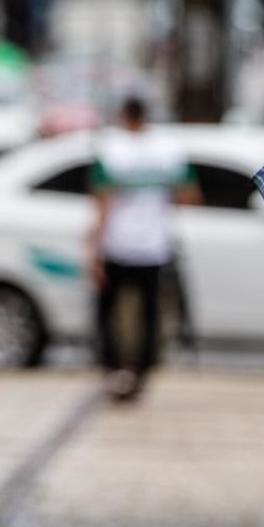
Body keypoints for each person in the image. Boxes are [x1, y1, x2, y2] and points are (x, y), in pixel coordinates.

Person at [87, 97, 201, 401]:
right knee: (149, 313)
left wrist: (94, 250)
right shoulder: (168, 149)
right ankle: (141, 371)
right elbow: (191, 194)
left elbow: (101, 202)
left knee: (108, 311)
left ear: (123, 115)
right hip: (154, 245)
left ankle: (113, 368)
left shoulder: (110, 148)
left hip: (117, 243)